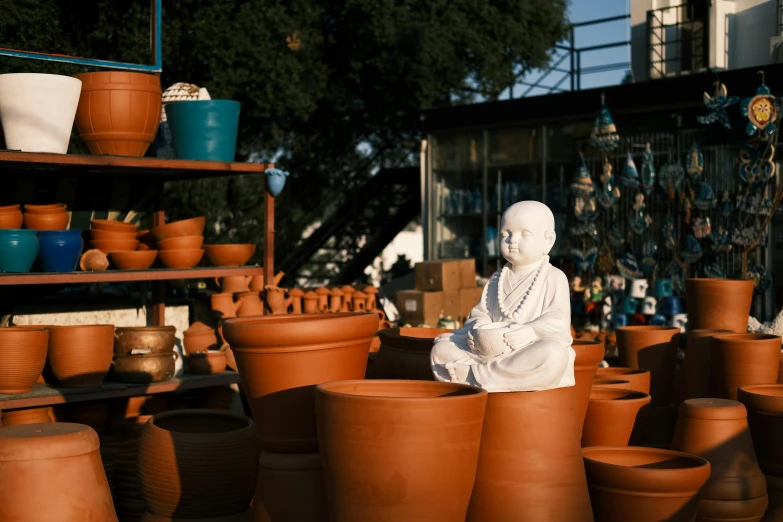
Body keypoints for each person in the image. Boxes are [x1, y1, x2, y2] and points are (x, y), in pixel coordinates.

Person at [430, 201, 574, 392]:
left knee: (554, 355)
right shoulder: (497, 278)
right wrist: (476, 331)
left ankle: (473, 375)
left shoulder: (553, 276)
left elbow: (559, 319)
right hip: (488, 350)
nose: (512, 240)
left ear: (548, 240)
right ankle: (486, 374)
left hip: (525, 350)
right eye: (506, 234)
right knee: (441, 351)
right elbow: (481, 313)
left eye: (524, 234)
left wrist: (530, 331)